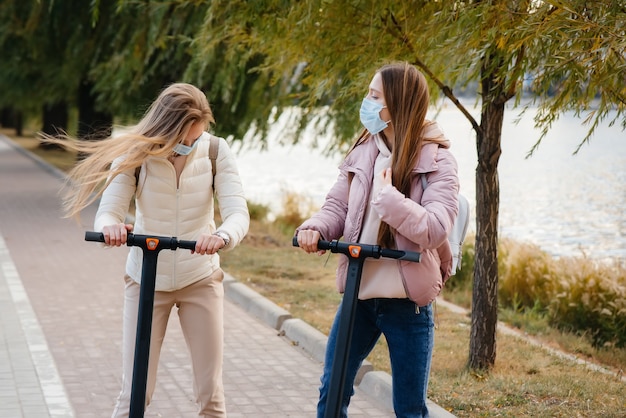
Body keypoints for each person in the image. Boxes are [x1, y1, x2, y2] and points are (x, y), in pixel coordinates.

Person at [50, 83, 250, 417]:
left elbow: (237, 212)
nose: (189, 145)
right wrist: (110, 228)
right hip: (146, 280)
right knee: (134, 395)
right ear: (165, 130)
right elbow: (109, 210)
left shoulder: (216, 151)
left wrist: (224, 236)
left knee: (211, 399)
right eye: (183, 140)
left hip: (199, 277)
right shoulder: (135, 155)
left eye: (195, 139)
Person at [294, 62, 459, 418]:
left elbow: (434, 228)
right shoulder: (365, 149)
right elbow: (337, 206)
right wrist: (315, 228)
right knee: (331, 394)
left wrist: (389, 200)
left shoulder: (437, 159)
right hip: (359, 297)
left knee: (409, 410)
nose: (366, 102)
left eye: (374, 96)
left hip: (408, 305)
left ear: (396, 104)